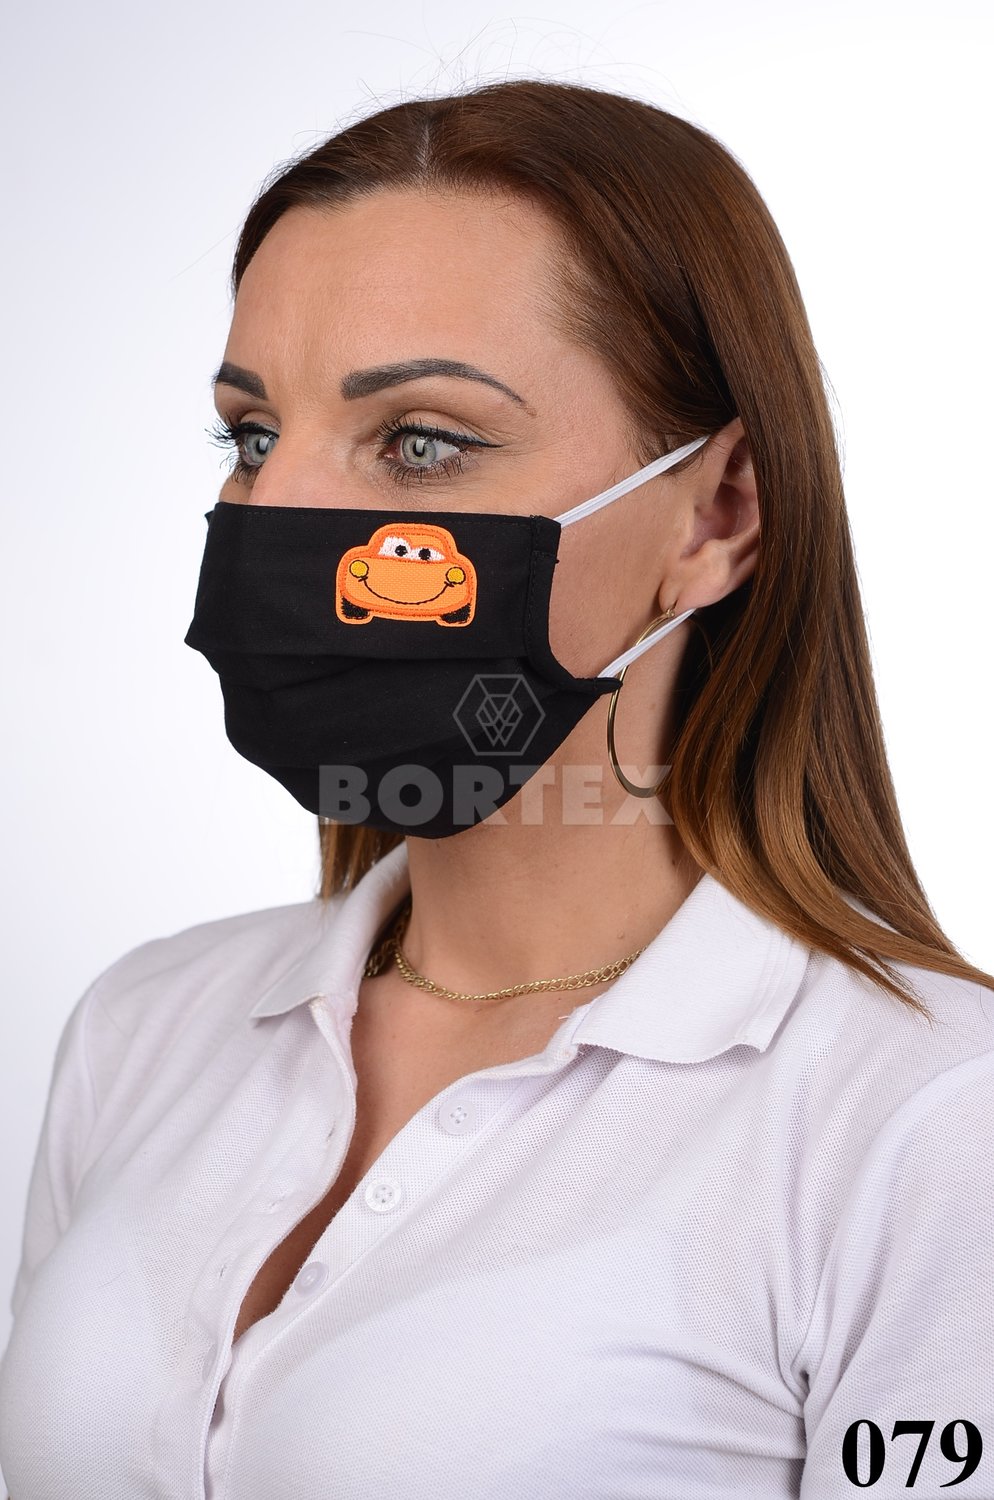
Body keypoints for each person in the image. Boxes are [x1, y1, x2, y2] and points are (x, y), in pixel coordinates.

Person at [1, 78, 992, 1500]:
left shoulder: (930, 1121)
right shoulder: (146, 1027)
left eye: (423, 442)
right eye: (252, 435)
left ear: (716, 516)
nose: (278, 517)